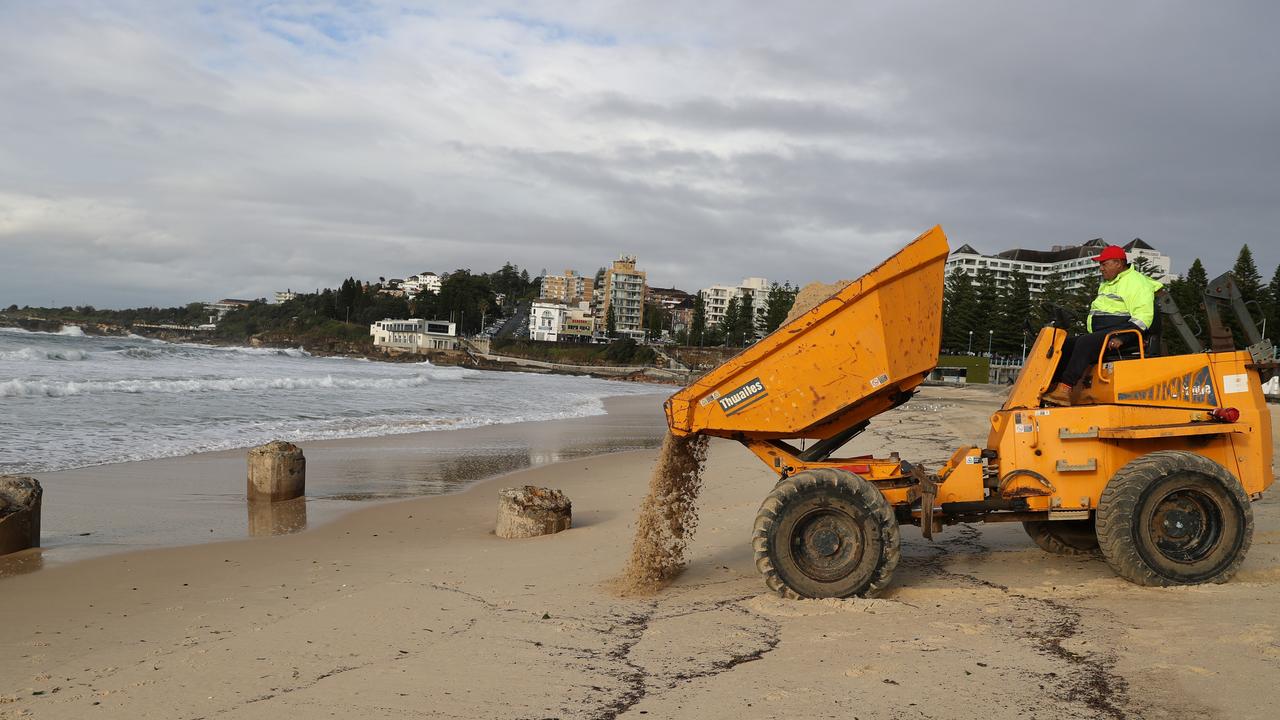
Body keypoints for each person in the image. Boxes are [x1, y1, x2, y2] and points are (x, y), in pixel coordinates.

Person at [1041, 245, 1163, 406]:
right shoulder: (1110, 283)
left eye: (1104, 264)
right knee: (1064, 344)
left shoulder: (1136, 283)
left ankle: (1065, 389)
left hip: (1126, 334)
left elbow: (1143, 317)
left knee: (1085, 343)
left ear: (1118, 263)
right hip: (1107, 333)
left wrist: (1123, 337)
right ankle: (1052, 386)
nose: (1101, 268)